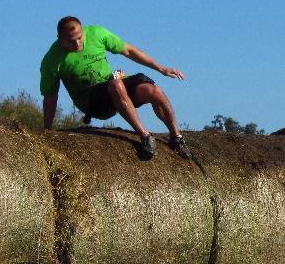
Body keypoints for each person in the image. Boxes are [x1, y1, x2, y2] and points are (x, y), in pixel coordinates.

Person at [40, 16, 191, 160]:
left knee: (154, 91)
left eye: (80, 37)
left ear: (83, 31)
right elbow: (51, 96)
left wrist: (161, 68)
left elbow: (128, 50)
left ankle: (176, 137)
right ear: (59, 37)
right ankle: (145, 136)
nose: (78, 44)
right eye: (71, 41)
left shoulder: (97, 33)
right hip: (92, 102)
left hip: (113, 86)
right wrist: (47, 132)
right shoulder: (52, 60)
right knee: (116, 85)